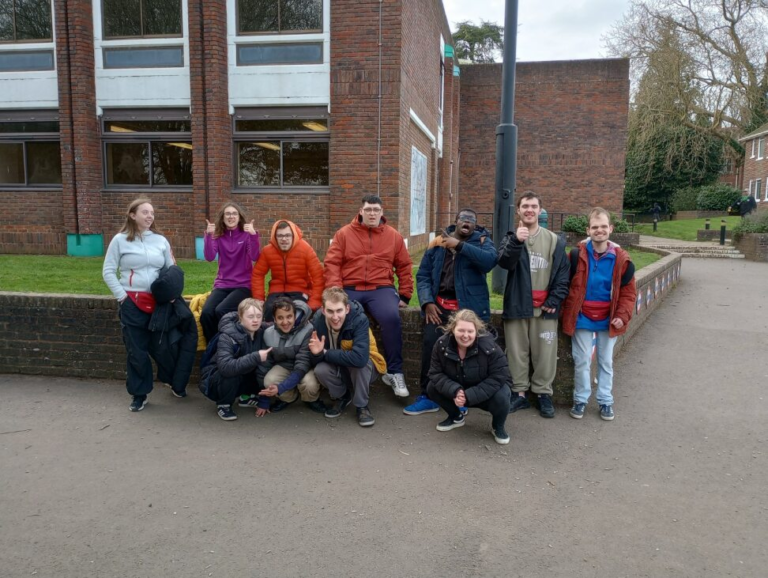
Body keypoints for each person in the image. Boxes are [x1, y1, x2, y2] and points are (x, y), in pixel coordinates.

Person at [405, 208, 498, 416]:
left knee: (467, 356)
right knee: (431, 350)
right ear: (456, 221)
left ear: (475, 225)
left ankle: (463, 399)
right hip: (439, 308)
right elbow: (423, 276)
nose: (468, 223)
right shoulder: (438, 242)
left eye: (472, 220)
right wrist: (427, 301)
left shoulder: (482, 241)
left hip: (468, 312)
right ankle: (427, 396)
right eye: (464, 219)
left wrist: (460, 246)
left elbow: (489, 262)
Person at [324, 194, 414, 398]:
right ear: (361, 211)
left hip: (380, 287)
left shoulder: (393, 236)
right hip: (350, 286)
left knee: (391, 318)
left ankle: (394, 372)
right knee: (339, 318)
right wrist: (335, 291)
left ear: (382, 212)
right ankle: (337, 368)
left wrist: (405, 293)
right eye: (368, 210)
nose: (372, 213)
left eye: (376, 210)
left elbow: (405, 265)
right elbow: (332, 263)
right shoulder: (344, 234)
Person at [497, 191, 570, 418]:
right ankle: (519, 394)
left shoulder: (554, 240)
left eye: (534, 206)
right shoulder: (510, 238)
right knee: (516, 352)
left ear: (540, 210)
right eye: (525, 206)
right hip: (518, 304)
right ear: (518, 210)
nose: (529, 210)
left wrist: (554, 299)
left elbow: (563, 273)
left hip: (545, 308)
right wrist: (517, 242)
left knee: (545, 352)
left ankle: (543, 394)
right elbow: (505, 263)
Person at [561, 208, 637, 421]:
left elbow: (628, 293)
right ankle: (581, 399)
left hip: (609, 317)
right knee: (582, 360)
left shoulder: (622, 260)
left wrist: (622, 315)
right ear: (588, 230)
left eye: (603, 226)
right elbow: (565, 285)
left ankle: (605, 401)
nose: (599, 230)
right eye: (595, 227)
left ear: (610, 229)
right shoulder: (576, 255)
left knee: (605, 361)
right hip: (582, 316)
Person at [102, 197, 176, 412]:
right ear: (132, 215)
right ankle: (139, 393)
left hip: (158, 303)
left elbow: (170, 270)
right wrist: (122, 296)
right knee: (137, 351)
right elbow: (108, 271)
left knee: (162, 347)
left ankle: (172, 379)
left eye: (152, 212)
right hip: (132, 303)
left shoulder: (161, 240)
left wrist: (170, 292)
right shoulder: (119, 240)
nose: (150, 216)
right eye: (145, 212)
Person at [427, 310, 511, 445]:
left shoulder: (490, 347)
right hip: (458, 390)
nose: (465, 335)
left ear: (476, 331)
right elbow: (435, 373)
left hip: (483, 391)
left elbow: (500, 375)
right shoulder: (441, 344)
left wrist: (469, 395)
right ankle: (456, 417)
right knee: (431, 387)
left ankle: (498, 426)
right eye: (461, 330)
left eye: (470, 331)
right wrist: (455, 390)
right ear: (453, 329)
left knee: (503, 394)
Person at [309, 288, 388, 427]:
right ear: (323, 310)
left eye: (339, 310)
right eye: (330, 311)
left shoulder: (359, 319)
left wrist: (325, 353)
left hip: (367, 368)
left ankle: (361, 406)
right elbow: (314, 361)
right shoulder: (317, 321)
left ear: (347, 308)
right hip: (339, 366)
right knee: (320, 369)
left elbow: (360, 358)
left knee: (360, 366)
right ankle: (342, 397)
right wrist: (317, 353)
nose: (335, 317)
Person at [199, 298, 272, 421]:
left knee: (260, 367)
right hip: (216, 379)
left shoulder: (261, 330)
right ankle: (224, 404)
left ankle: (245, 397)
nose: (255, 320)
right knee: (233, 371)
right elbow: (225, 367)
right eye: (250, 316)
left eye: (259, 316)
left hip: (243, 374)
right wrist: (255, 356)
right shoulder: (227, 336)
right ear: (240, 317)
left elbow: (280, 325)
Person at [200, 202, 261, 343]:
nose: (231, 216)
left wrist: (253, 235)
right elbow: (209, 257)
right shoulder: (218, 235)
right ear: (222, 218)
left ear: (239, 217)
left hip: (243, 285)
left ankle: (229, 343)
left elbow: (255, 257)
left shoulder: (246, 235)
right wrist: (208, 236)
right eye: (227, 214)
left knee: (221, 310)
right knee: (206, 313)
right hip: (223, 284)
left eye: (234, 213)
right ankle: (214, 345)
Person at [258, 297, 326, 413]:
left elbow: (302, 365)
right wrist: (264, 401)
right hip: (284, 365)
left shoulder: (308, 330)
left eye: (289, 317)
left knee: (309, 384)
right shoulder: (268, 334)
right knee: (269, 380)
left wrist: (281, 388)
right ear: (274, 319)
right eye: (280, 318)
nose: (285, 322)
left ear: (295, 316)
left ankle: (310, 399)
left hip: (305, 367)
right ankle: (289, 398)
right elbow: (264, 366)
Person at [251, 220, 324, 322]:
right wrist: (259, 299)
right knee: (269, 311)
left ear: (293, 235)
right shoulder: (267, 251)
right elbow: (258, 274)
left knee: (299, 313)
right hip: (276, 291)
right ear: (274, 236)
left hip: (300, 290)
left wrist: (315, 301)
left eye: (287, 235)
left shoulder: (305, 249)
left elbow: (318, 276)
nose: (284, 239)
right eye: (280, 236)